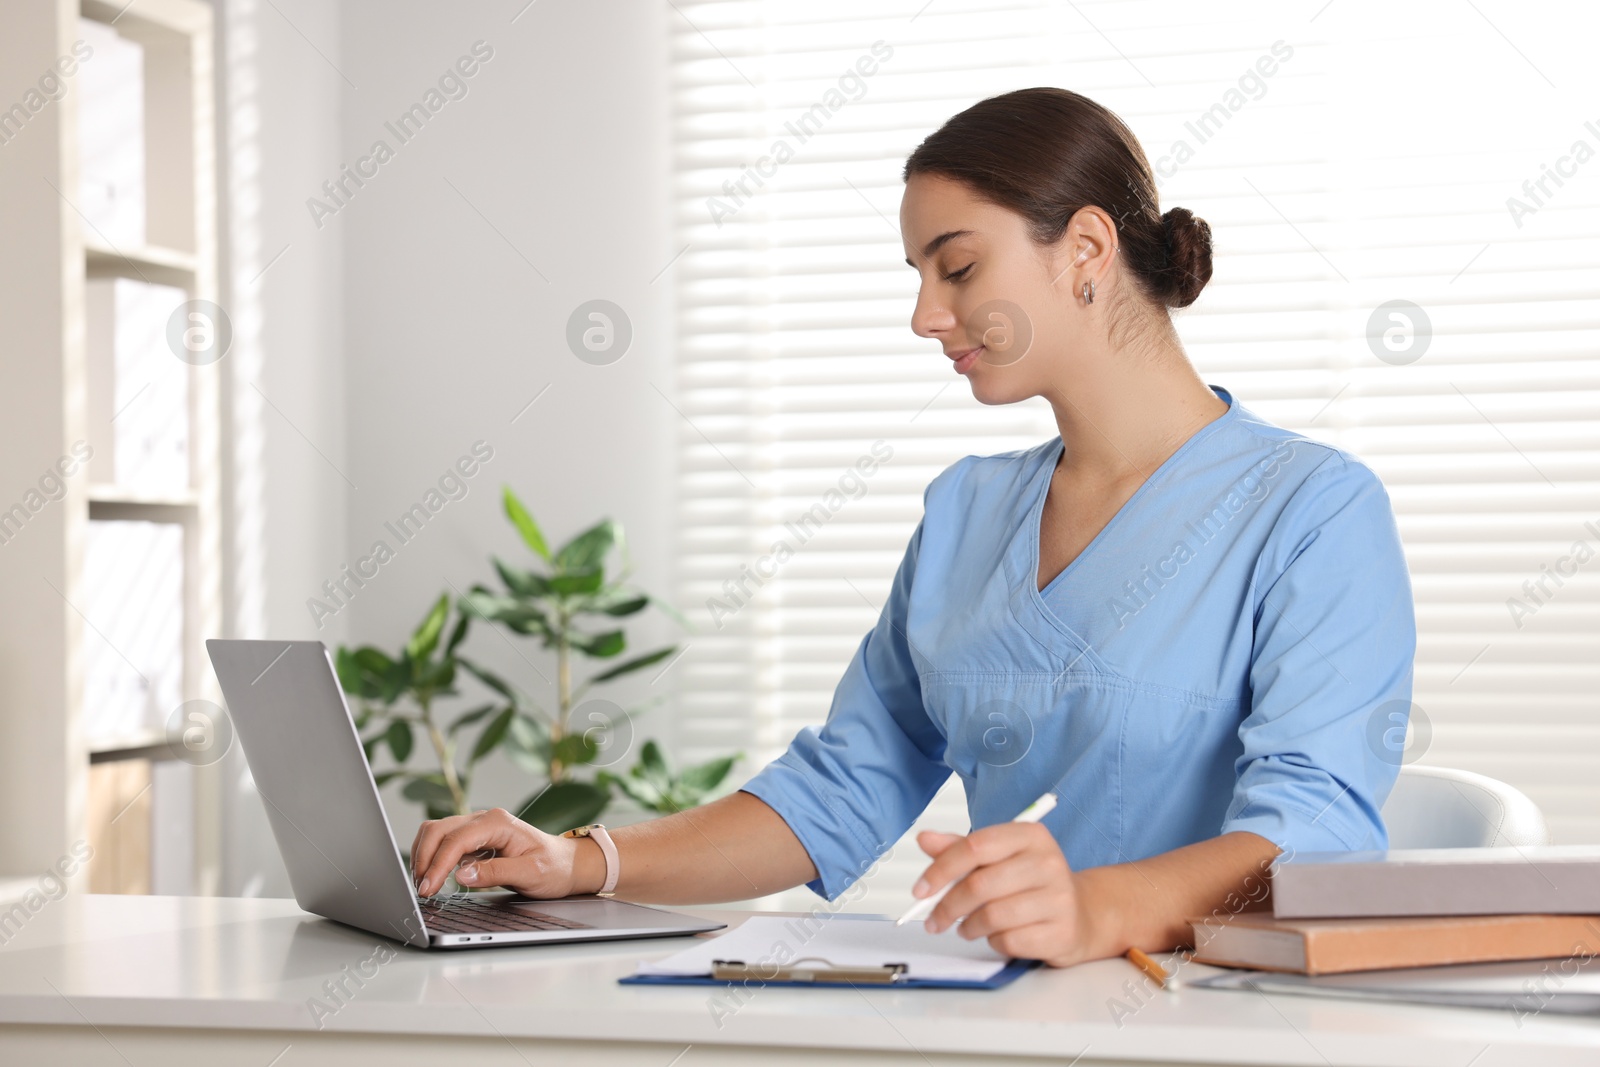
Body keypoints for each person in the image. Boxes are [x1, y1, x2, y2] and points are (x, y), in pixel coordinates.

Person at [411, 87, 1415, 968]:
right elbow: (843, 784)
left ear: (1086, 251)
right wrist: (584, 858)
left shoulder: (1311, 509)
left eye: (958, 267)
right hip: (1001, 1010)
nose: (926, 314)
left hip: (1209, 1021)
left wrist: (1090, 907)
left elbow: (1313, 837)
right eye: (918, 274)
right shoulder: (967, 513)